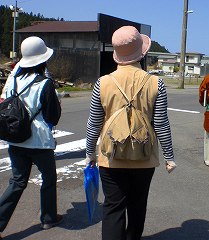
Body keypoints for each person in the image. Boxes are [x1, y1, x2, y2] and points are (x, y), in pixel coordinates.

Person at [85, 25, 176, 240]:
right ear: (141, 52)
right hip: (144, 157)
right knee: (137, 206)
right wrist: (169, 156)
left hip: (111, 157)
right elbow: (162, 123)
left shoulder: (102, 83)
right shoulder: (157, 83)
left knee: (113, 208)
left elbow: (94, 123)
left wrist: (90, 153)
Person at [0, 36, 62, 239]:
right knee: (48, 178)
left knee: (17, 182)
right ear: (42, 59)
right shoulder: (45, 84)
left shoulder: (13, 80)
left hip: (15, 138)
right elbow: (53, 115)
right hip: (39, 142)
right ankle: (48, 218)